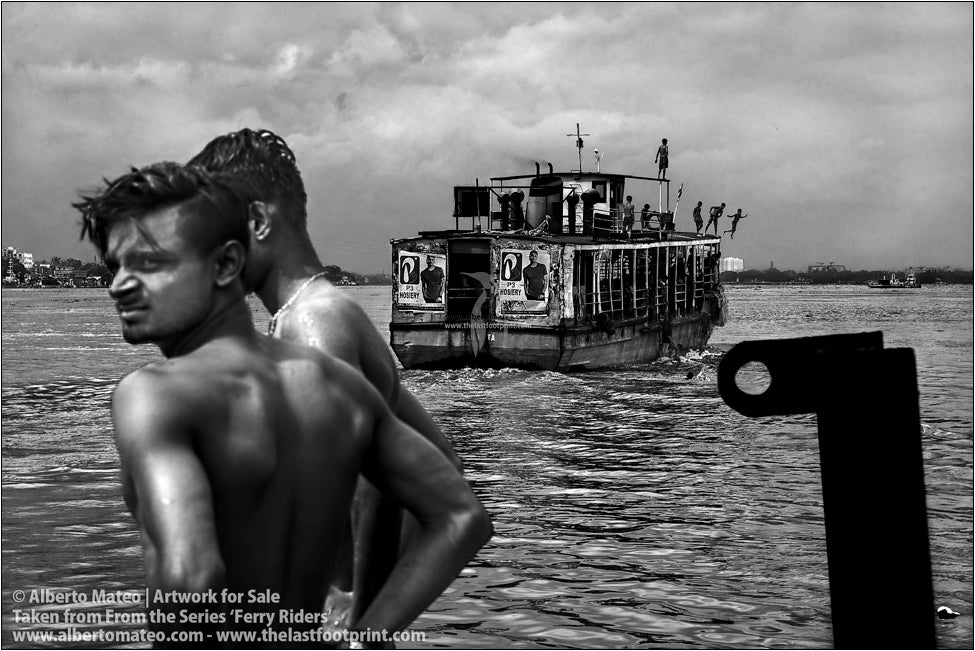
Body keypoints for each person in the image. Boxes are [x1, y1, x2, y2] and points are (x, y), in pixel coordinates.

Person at [73, 162, 491, 645]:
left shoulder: (153, 395)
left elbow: (190, 577)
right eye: (114, 265)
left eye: (149, 263)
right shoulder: (335, 383)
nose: (118, 285)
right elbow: (461, 516)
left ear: (226, 265)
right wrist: (367, 636)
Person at [188, 129, 463, 635]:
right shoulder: (320, 314)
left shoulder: (311, 326)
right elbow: (443, 467)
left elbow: (379, 484)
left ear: (257, 221)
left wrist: (362, 625)